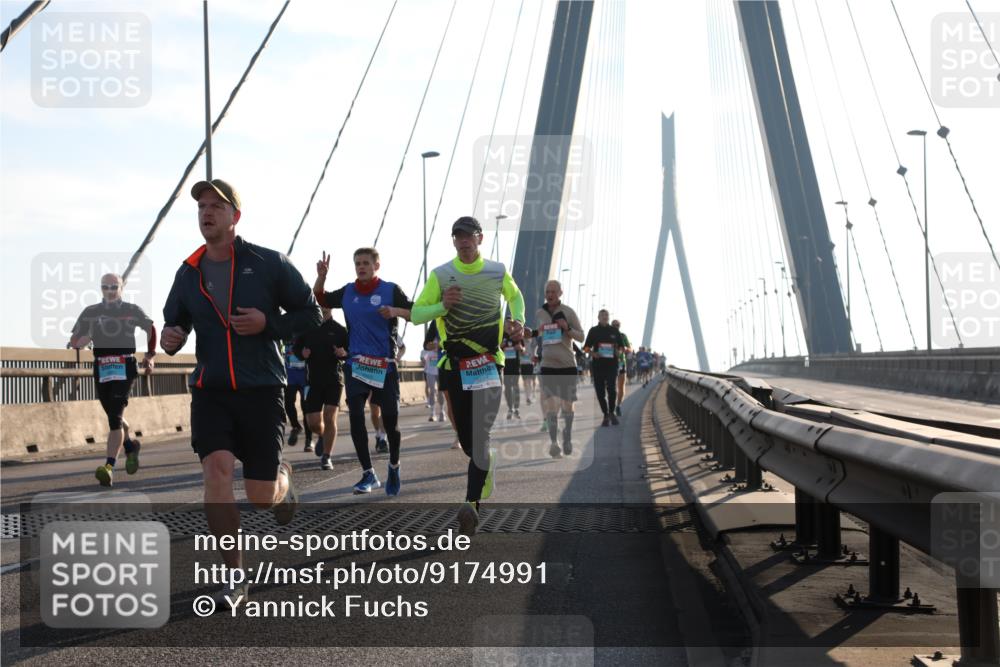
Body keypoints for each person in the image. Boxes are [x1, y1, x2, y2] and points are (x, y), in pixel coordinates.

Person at [161, 178, 321, 606]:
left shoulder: (268, 263)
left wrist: (270, 324)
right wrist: (170, 338)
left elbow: (312, 313)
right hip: (211, 389)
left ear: (235, 216)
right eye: (201, 207)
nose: (207, 213)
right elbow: (173, 322)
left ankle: (283, 480)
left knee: (260, 496)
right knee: (215, 473)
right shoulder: (188, 271)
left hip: (261, 387)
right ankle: (234, 573)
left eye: (216, 206)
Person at [411, 216, 525, 536]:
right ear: (453, 241)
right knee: (467, 440)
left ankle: (471, 505)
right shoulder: (441, 275)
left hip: (489, 363)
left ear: (480, 238)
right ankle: (484, 464)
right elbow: (418, 312)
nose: (464, 241)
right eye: (458, 236)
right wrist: (441, 306)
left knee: (480, 434)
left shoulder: (497, 271)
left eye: (469, 236)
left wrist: (517, 318)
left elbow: (515, 296)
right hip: (454, 366)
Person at [314, 248, 411, 495]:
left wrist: (396, 311)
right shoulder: (348, 292)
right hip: (356, 363)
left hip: (384, 365)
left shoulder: (391, 290)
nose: (361, 267)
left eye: (366, 263)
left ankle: (394, 465)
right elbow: (321, 298)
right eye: (357, 263)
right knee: (356, 413)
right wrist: (322, 277)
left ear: (376, 265)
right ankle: (368, 473)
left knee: (391, 422)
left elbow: (416, 313)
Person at [68, 273, 156, 487]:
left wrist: (150, 355)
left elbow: (150, 328)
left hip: (124, 365)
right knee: (113, 416)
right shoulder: (91, 312)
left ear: (121, 288)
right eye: (105, 287)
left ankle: (108, 467)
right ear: (101, 288)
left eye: (113, 286)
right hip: (101, 367)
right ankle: (130, 447)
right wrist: (82, 340)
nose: (109, 290)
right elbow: (74, 340)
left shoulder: (131, 310)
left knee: (115, 417)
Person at [293, 307, 349, 470]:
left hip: (334, 380)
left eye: (326, 304)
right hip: (313, 381)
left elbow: (350, 351)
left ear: (330, 307)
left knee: (330, 416)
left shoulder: (339, 330)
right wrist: (301, 353)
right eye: (320, 304)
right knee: (314, 423)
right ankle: (322, 435)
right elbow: (296, 348)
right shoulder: (308, 327)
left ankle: (326, 456)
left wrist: (343, 353)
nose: (323, 307)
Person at [535, 280, 584, 458]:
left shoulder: (569, 312)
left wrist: (567, 328)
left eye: (553, 291)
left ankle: (567, 436)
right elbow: (539, 334)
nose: (550, 294)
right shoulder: (540, 312)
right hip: (547, 366)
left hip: (567, 366)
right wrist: (536, 332)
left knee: (567, 405)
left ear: (560, 293)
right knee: (551, 406)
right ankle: (554, 443)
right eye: (547, 291)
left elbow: (581, 336)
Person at [583, 309, 625, 427]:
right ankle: (605, 414)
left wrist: (619, 352)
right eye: (602, 315)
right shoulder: (593, 331)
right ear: (598, 317)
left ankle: (612, 412)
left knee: (612, 389)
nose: (605, 317)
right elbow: (586, 348)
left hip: (612, 365)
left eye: (606, 315)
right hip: (598, 366)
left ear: (608, 317)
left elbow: (622, 347)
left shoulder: (614, 331)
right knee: (600, 392)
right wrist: (593, 354)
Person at [283, 341, 313, 451]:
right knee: (288, 403)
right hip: (290, 377)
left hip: (305, 378)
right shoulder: (285, 333)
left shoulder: (305, 333)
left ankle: (309, 440)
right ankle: (296, 426)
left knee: (306, 407)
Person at [611, 319, 632, 416]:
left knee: (621, 387)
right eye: (614, 325)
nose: (616, 327)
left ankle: (618, 405)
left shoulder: (623, 336)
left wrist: (624, 349)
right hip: (609, 363)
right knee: (611, 387)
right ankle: (611, 406)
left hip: (621, 363)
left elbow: (630, 348)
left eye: (617, 325)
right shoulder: (606, 335)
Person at [421, 339, 445, 422]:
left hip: (440, 371)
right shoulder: (431, 335)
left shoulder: (442, 336)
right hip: (430, 372)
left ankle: (442, 412)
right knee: (432, 391)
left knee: (441, 391)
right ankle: (432, 413)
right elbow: (426, 347)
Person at [501, 332, 522, 419]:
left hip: (516, 365)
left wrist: (520, 348)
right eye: (507, 322)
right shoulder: (502, 335)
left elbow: (523, 349)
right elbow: (497, 348)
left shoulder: (517, 334)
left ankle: (516, 408)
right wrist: (501, 346)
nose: (509, 325)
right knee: (507, 387)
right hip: (506, 366)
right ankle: (510, 408)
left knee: (516, 386)